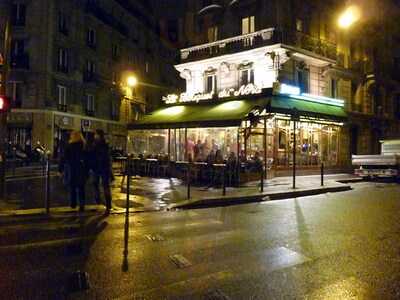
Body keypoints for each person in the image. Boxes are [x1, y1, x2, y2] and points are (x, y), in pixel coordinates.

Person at [59, 131, 87, 211]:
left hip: (71, 169)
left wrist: (60, 169)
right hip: (81, 169)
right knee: (81, 188)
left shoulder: (69, 146)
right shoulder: (83, 146)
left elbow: (63, 158)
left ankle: (73, 203)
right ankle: (82, 205)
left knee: (72, 187)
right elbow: (87, 158)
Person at [93, 129, 113, 213]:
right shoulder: (104, 144)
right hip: (103, 168)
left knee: (100, 185)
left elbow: (103, 157)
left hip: (100, 167)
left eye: (96, 134)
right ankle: (106, 203)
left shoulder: (98, 144)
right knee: (102, 185)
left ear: (99, 135)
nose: (94, 136)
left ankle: (103, 202)